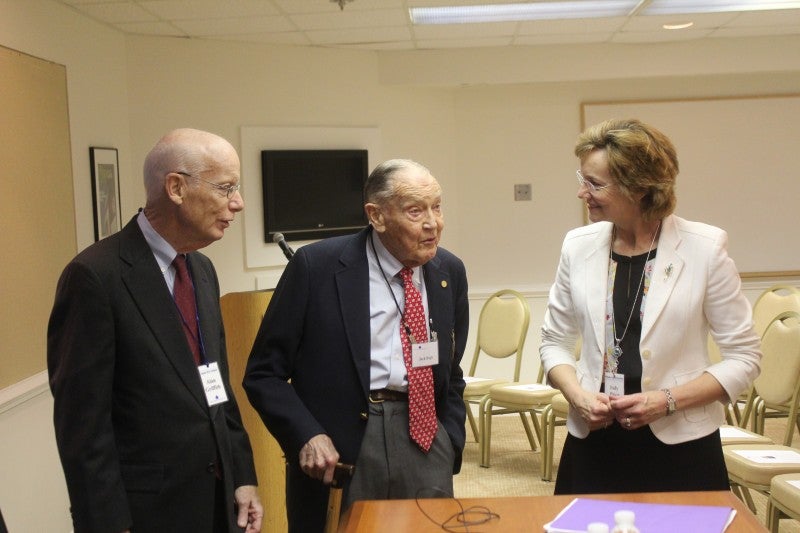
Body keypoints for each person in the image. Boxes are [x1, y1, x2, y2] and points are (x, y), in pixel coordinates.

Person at [48, 128, 263, 532]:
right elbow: (83, 426)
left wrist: (243, 474)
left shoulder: (201, 269)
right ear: (176, 188)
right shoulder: (96, 277)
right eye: (226, 187)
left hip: (219, 503)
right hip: (147, 513)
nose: (238, 203)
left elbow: (216, 387)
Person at [243, 158, 469, 532]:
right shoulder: (316, 266)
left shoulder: (449, 272)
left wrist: (451, 441)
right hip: (345, 441)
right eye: (416, 210)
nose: (433, 223)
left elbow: (452, 368)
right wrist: (306, 435)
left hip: (426, 432)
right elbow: (264, 373)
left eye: (437, 206)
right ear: (375, 215)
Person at [540, 118, 761, 494]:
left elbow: (744, 357)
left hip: (681, 444)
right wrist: (577, 396)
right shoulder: (578, 245)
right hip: (594, 439)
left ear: (638, 187)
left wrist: (666, 401)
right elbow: (553, 342)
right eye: (583, 178)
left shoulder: (704, 248)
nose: (582, 192)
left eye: (594, 183)